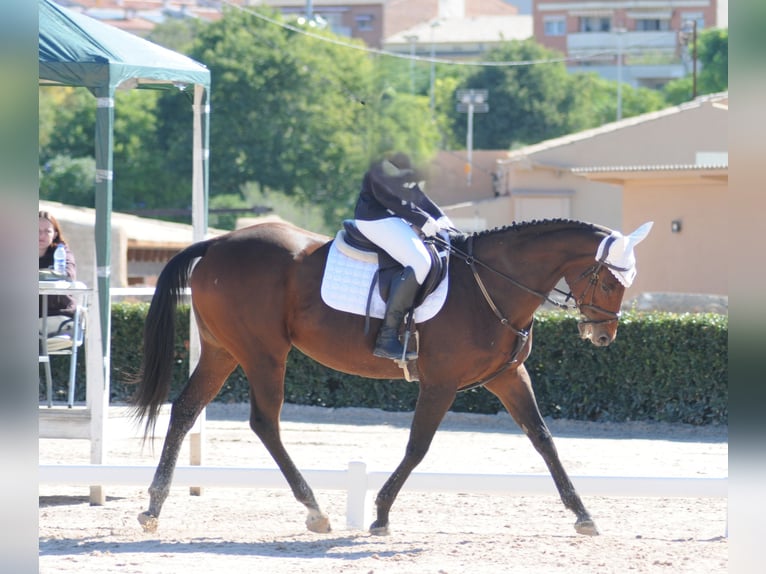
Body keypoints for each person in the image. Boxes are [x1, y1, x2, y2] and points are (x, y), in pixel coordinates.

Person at [353, 153, 453, 360]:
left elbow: (414, 194)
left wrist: (442, 219)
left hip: (396, 218)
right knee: (421, 262)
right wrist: (423, 221)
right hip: (375, 218)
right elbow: (389, 197)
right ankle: (387, 337)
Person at [39, 210, 77, 337]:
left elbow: (68, 275)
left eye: (47, 231)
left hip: (59, 314)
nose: (41, 235)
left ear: (55, 234)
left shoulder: (62, 251)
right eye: (37, 230)